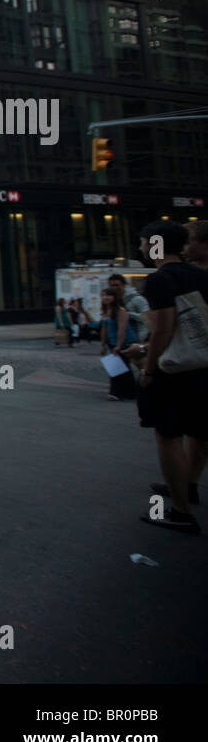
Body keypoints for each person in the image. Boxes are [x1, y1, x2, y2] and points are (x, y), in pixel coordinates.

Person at [135, 221, 208, 533]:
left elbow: (164, 328)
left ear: (154, 245)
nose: (140, 248)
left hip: (174, 369)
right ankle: (189, 483)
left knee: (168, 435)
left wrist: (148, 368)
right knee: (200, 430)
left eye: (142, 243)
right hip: (204, 366)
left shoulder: (159, 280)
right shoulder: (202, 276)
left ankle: (180, 511)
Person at [99, 286, 137, 401]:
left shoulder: (121, 311)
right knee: (122, 368)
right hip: (112, 342)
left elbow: (122, 329)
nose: (105, 298)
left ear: (115, 297)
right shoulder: (106, 312)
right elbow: (104, 330)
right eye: (103, 295)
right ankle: (130, 392)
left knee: (117, 367)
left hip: (125, 342)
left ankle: (116, 392)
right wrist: (103, 345)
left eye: (108, 295)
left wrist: (119, 345)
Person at [108, 273, 149, 342]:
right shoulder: (112, 300)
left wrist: (127, 314)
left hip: (137, 337)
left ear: (124, 285)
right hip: (119, 339)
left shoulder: (137, 299)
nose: (114, 288)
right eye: (111, 286)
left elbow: (147, 317)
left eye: (116, 285)